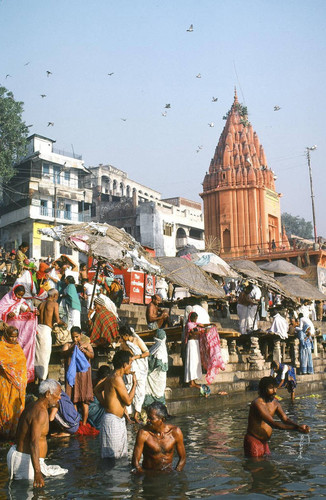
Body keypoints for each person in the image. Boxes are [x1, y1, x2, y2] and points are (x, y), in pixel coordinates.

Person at [7, 379, 68, 487]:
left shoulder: (34, 405)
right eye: (58, 395)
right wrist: (37, 472)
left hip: (25, 457)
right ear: (48, 394)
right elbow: (33, 442)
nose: (59, 397)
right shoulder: (40, 412)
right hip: (25, 460)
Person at [244, 376, 310, 458]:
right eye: (271, 388)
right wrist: (296, 429)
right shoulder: (257, 404)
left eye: (275, 388)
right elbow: (273, 423)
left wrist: (299, 426)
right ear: (263, 389)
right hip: (253, 441)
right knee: (256, 467)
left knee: (267, 467)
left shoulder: (275, 403)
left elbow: (285, 419)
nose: (274, 391)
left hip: (265, 443)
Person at [94, 350, 137, 459]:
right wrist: (134, 385)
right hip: (112, 421)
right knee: (113, 458)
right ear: (124, 364)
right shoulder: (116, 378)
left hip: (115, 420)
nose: (131, 366)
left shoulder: (112, 376)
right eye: (130, 363)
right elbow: (128, 401)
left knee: (120, 456)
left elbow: (97, 390)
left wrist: (105, 404)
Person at [132, 402, 186, 472]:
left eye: (151, 418)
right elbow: (135, 462)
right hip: (149, 474)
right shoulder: (143, 433)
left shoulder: (175, 432)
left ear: (162, 420)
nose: (147, 420)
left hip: (168, 474)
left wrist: (176, 473)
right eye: (148, 417)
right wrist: (142, 473)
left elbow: (183, 458)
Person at [0, 284, 38, 383]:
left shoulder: (21, 301)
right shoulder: (6, 300)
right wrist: (8, 314)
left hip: (18, 329)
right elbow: (1, 311)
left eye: (21, 295)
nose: (19, 297)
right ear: (14, 292)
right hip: (7, 327)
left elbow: (26, 309)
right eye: (18, 295)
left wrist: (31, 312)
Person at [62, 326, 94, 425]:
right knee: (73, 400)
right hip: (73, 376)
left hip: (84, 376)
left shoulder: (86, 344)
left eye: (77, 337)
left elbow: (92, 355)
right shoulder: (68, 345)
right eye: (73, 337)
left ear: (80, 335)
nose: (75, 339)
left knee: (85, 401)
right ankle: (75, 422)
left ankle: (84, 423)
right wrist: (72, 348)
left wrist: (84, 351)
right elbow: (63, 354)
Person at [0, 326, 27, 439]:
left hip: (17, 385)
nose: (13, 339)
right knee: (4, 405)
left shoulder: (17, 348)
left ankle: (14, 432)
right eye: (11, 336)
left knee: (15, 405)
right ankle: (3, 432)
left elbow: (22, 362)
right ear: (6, 335)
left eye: (15, 337)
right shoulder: (1, 347)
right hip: (4, 381)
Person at [120, 324, 149, 423]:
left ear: (127, 334)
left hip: (140, 368)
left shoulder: (137, 340)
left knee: (140, 391)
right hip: (129, 369)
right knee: (128, 388)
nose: (121, 338)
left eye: (122, 336)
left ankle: (136, 415)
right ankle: (128, 415)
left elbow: (147, 352)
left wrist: (135, 357)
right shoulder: (123, 344)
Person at [35, 289, 65, 381]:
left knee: (37, 355)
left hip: (38, 329)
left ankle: (36, 377)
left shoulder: (41, 304)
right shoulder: (54, 304)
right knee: (45, 356)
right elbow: (57, 320)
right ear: (54, 295)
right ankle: (42, 379)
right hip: (46, 330)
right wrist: (64, 324)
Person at [144, 329, 169, 407]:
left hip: (157, 375)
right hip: (157, 375)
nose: (154, 336)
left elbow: (156, 363)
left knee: (156, 390)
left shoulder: (160, 348)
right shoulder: (157, 346)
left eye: (156, 335)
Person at [184, 311, 205, 389]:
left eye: (196, 319)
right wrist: (201, 331)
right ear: (191, 318)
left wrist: (210, 325)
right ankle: (191, 382)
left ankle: (193, 380)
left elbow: (202, 325)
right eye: (194, 318)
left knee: (196, 361)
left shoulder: (195, 324)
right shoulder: (189, 324)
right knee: (192, 362)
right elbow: (192, 332)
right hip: (191, 343)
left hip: (195, 343)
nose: (195, 320)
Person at [88, 365, 111, 430]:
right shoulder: (101, 383)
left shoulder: (96, 380)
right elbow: (103, 400)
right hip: (94, 409)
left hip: (90, 407)